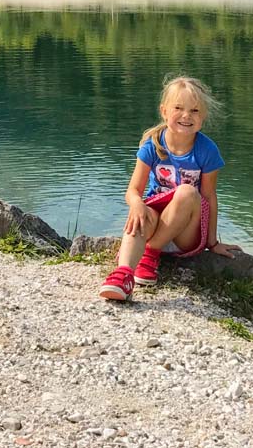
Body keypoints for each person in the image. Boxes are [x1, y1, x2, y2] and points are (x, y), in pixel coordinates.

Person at [99, 74, 240, 301]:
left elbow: (209, 197)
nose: (186, 115)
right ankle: (123, 275)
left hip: (187, 233)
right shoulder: (152, 145)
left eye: (195, 111)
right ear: (164, 111)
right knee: (141, 212)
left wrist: (212, 243)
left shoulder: (207, 150)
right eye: (178, 108)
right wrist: (136, 204)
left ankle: (150, 252)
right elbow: (133, 191)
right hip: (159, 222)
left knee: (186, 191)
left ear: (203, 117)